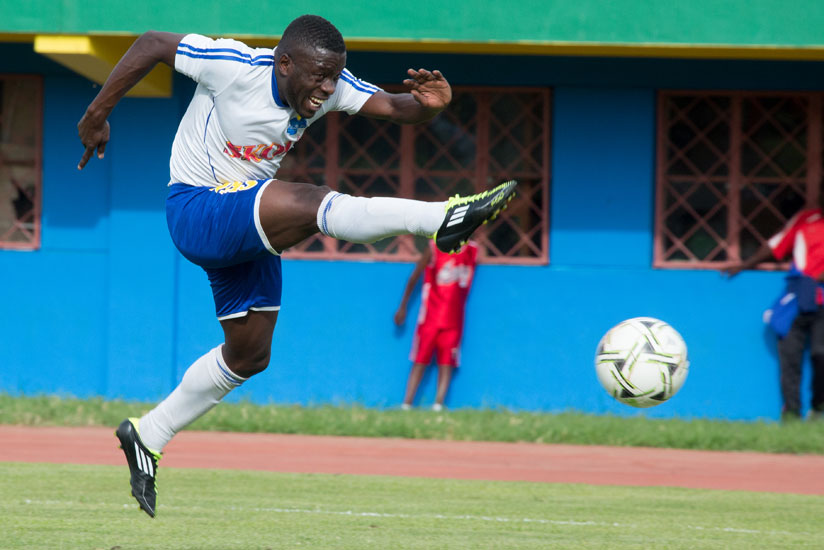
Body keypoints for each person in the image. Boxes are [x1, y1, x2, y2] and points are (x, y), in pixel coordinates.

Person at [76, 15, 517, 518]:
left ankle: (149, 433)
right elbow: (153, 42)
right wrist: (96, 114)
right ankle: (442, 218)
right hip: (197, 209)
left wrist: (427, 106)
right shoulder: (232, 66)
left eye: (334, 78)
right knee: (312, 201)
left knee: (249, 355)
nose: (327, 90)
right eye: (318, 78)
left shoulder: (326, 85)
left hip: (246, 218)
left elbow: (393, 106)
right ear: (284, 64)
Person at [723, 200, 824, 422]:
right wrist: (744, 264)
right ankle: (792, 415)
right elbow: (775, 245)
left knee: (821, 353)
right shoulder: (806, 219)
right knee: (790, 357)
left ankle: (818, 408)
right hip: (799, 297)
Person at [394, 240, 478, 411]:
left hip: (454, 319)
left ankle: (438, 405)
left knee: (447, 363)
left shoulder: (472, 250)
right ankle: (407, 404)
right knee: (420, 359)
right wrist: (403, 306)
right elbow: (415, 276)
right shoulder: (435, 248)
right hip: (430, 316)